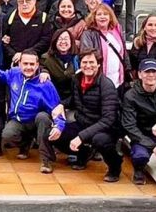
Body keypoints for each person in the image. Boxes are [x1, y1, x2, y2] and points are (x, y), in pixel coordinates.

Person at [51, 49, 121, 181]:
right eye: (84, 62)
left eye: (92, 62)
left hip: (104, 128)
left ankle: (115, 166)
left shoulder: (106, 85)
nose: (88, 66)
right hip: (82, 122)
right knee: (55, 134)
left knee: (100, 140)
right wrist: (61, 105)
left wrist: (81, 137)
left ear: (98, 64)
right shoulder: (76, 80)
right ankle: (83, 153)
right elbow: (74, 99)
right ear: (80, 64)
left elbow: (108, 119)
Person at [0, 52, 65, 172]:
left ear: (37, 65)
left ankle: (46, 160)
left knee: (42, 118)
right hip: (18, 120)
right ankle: (25, 142)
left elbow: (57, 107)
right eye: (25, 63)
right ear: (19, 64)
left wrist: (59, 126)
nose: (28, 67)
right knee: (7, 136)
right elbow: (1, 73)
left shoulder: (45, 83)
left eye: (32, 64)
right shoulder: (14, 73)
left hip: (38, 122)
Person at [80, 3, 129, 90]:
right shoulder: (88, 34)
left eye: (105, 14)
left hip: (118, 80)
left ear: (110, 17)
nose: (102, 17)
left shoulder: (117, 30)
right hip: (99, 81)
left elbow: (124, 52)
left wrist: (128, 68)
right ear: (94, 17)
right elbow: (87, 56)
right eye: (99, 14)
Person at [1, 0, 52, 68]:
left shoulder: (43, 18)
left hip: (35, 63)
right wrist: (14, 54)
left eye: (28, 1)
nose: (24, 4)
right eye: (21, 1)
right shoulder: (9, 17)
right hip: (14, 62)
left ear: (34, 1)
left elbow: (46, 40)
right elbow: (4, 40)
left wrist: (26, 54)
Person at [39, 29, 80, 104]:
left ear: (71, 41)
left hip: (74, 100)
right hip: (53, 100)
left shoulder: (78, 58)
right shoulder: (46, 58)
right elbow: (41, 67)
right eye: (60, 39)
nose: (63, 42)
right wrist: (44, 72)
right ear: (55, 41)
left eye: (66, 39)